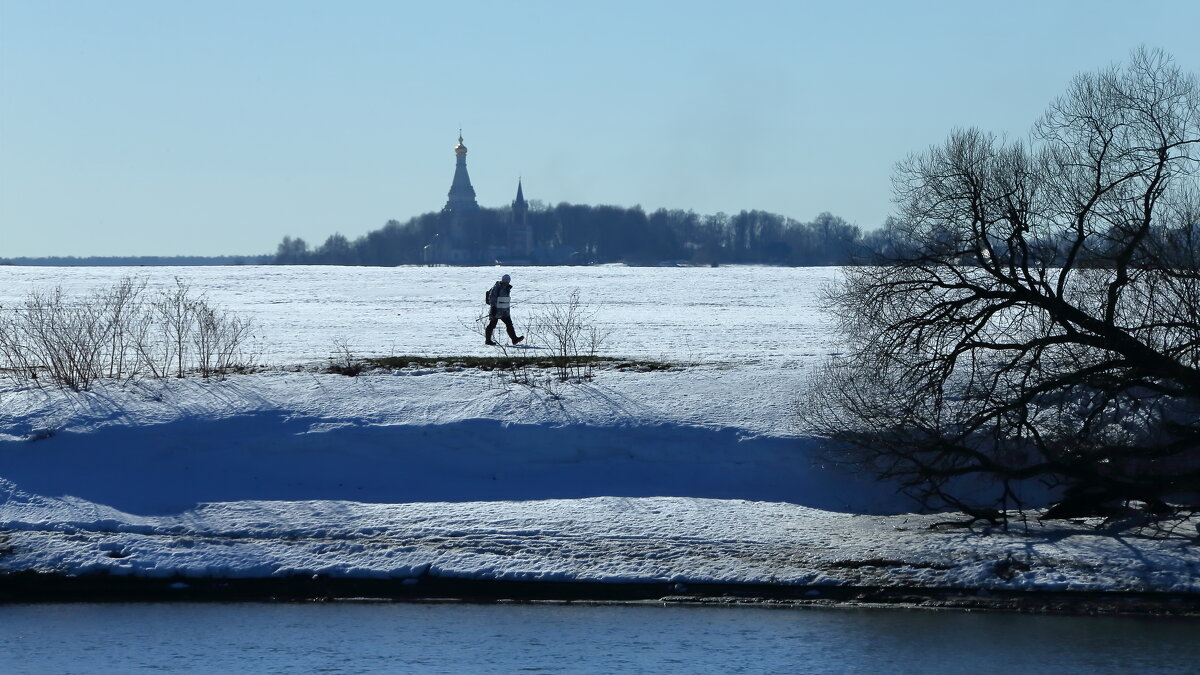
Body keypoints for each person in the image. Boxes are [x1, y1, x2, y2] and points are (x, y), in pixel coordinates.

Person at [485, 273, 524, 346]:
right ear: (503, 280)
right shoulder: (497, 287)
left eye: (508, 281)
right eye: (505, 281)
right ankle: (488, 340)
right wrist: (493, 309)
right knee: (492, 325)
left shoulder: (507, 287)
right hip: (496, 310)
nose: (507, 282)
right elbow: (492, 298)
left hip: (504, 311)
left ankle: (514, 339)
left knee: (509, 324)